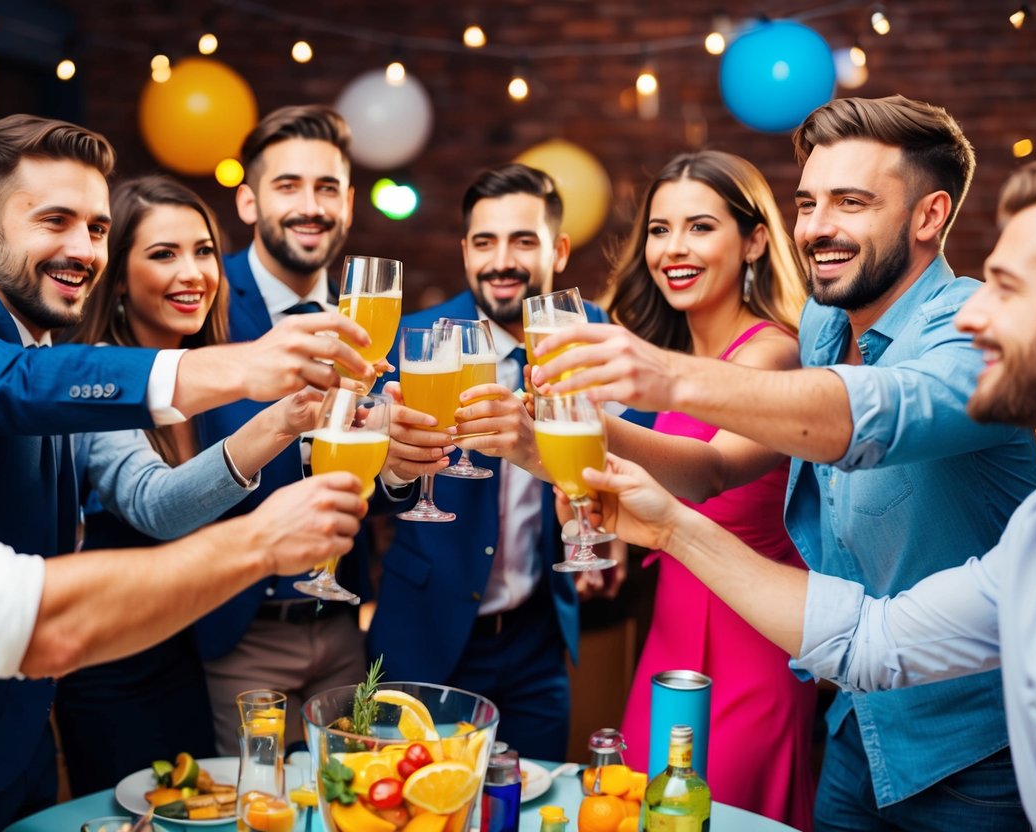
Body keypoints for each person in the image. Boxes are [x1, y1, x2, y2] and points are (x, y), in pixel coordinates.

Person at [0, 115, 374, 832]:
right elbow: (13, 384)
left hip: (20, 721)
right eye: (55, 220)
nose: (82, 249)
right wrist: (237, 367)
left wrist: (282, 419)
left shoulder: (46, 334)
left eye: (96, 228)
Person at [534, 96, 1036, 828]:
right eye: (806, 202)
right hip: (855, 723)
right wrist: (536, 443)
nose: (815, 227)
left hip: (967, 756)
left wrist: (666, 377)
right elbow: (726, 471)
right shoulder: (822, 322)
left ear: (928, 217)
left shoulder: (967, 336)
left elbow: (872, 414)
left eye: (850, 202)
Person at [55, 175, 332, 795]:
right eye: (163, 254)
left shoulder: (215, 374)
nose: (192, 273)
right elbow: (159, 507)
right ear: (117, 277)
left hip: (193, 658)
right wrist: (281, 421)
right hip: (115, 670)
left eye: (204, 251)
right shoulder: (102, 375)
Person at [370, 163, 644, 760]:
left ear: (560, 249)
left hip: (537, 641)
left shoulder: (590, 334)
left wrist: (609, 529)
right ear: (466, 250)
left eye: (523, 241)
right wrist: (393, 469)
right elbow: (362, 486)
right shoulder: (414, 340)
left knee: (523, 801)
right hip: (426, 636)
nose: (502, 261)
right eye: (486, 242)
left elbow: (639, 449)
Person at [599, 150, 815, 830]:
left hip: (752, 641)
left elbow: (708, 469)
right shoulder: (678, 358)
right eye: (658, 230)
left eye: (698, 227)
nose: (673, 248)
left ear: (753, 239)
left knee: (721, 815)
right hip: (668, 633)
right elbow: (651, 486)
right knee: (645, 812)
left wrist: (587, 427)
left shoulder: (771, 352)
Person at [194, 105, 408, 754]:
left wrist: (397, 467)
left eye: (326, 189)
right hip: (238, 628)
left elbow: (368, 480)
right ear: (249, 203)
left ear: (346, 203)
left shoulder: (367, 312)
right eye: (287, 186)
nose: (309, 206)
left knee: (349, 806)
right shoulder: (201, 298)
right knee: (256, 808)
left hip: (344, 625)